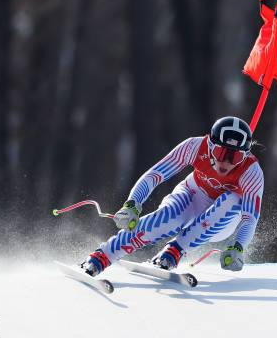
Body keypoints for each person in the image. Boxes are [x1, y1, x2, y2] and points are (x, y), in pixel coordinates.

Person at [82, 116, 264, 276]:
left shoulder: (251, 172)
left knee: (233, 199)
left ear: (245, 155)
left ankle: (175, 251)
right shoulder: (194, 146)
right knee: (168, 218)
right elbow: (155, 175)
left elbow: (250, 217)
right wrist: (132, 203)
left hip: (223, 219)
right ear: (209, 145)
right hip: (192, 193)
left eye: (235, 157)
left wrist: (239, 247)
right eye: (220, 152)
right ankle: (103, 255)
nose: (226, 162)